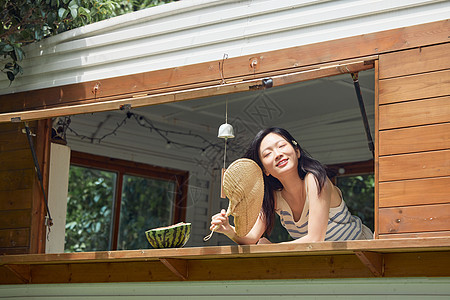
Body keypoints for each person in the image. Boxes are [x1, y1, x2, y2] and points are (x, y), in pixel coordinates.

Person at [210, 127, 373, 244]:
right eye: (267, 154)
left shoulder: (315, 179)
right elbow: (252, 238)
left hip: (360, 247)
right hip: (325, 258)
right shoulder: (273, 197)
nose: (278, 154)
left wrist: (270, 249)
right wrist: (228, 230)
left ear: (297, 151)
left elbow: (316, 239)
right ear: (265, 170)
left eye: (281, 146)